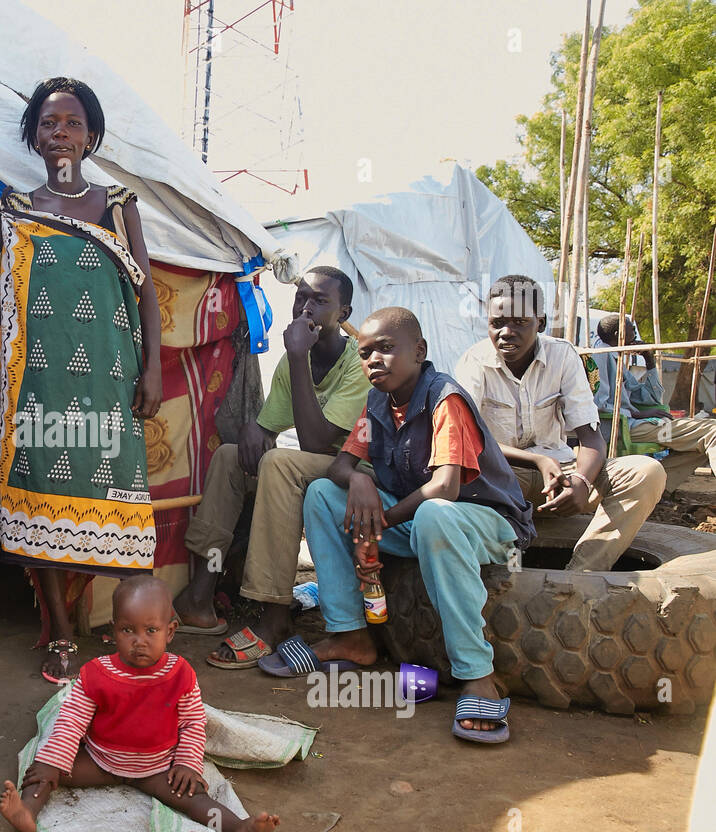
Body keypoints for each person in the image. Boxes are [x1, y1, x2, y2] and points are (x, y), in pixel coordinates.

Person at [0, 77, 162, 664]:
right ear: (34, 137)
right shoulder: (19, 210)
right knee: (46, 493)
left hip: (110, 375)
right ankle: (62, 631)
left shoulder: (117, 205)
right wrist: (15, 296)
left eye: (72, 122)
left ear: (91, 135)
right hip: (38, 379)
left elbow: (144, 289)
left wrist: (154, 369)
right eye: (49, 124)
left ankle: (130, 633)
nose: (60, 132)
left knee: (113, 489)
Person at [294, 308, 536, 744]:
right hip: (421, 522)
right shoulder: (377, 403)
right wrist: (361, 480)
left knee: (435, 512)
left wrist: (380, 520)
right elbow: (341, 466)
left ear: (419, 352)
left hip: (485, 524)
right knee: (322, 495)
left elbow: (445, 487)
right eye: (365, 353)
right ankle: (350, 634)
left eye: (386, 349)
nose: (373, 361)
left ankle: (477, 674)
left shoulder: (445, 398)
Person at [171, 266, 370, 671]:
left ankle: (275, 615)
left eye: (320, 300)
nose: (306, 307)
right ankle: (201, 595)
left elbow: (317, 442)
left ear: (343, 311)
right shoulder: (291, 361)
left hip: (352, 472)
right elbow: (266, 426)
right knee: (230, 457)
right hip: (314, 465)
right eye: (301, 298)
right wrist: (252, 430)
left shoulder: (358, 363)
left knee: (279, 463)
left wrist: (298, 356)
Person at [0, 576, 281, 832]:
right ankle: (27, 811)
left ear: (170, 631)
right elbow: (71, 722)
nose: (139, 641)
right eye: (127, 630)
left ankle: (238, 829)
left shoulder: (180, 674)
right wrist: (53, 761)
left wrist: (187, 764)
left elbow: (194, 723)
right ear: (113, 629)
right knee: (46, 768)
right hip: (100, 762)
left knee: (194, 797)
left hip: (158, 770)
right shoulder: (96, 674)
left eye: (151, 631)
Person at [455, 276, 664, 572]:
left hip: (557, 477)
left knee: (646, 472)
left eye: (519, 322)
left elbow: (590, 437)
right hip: (501, 478)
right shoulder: (474, 362)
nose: (506, 332)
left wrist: (581, 481)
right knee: (453, 482)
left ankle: (582, 573)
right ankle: (501, 572)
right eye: (497, 323)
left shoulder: (563, 355)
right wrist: (538, 459)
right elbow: (469, 440)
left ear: (540, 323)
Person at [593, 314, 716, 481]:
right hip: (622, 428)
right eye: (632, 330)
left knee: (706, 436)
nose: (635, 335)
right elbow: (597, 404)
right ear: (618, 333)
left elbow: (651, 399)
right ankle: (659, 484)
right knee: (713, 433)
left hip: (637, 425)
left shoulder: (617, 357)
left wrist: (649, 359)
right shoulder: (599, 355)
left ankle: (661, 484)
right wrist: (637, 414)